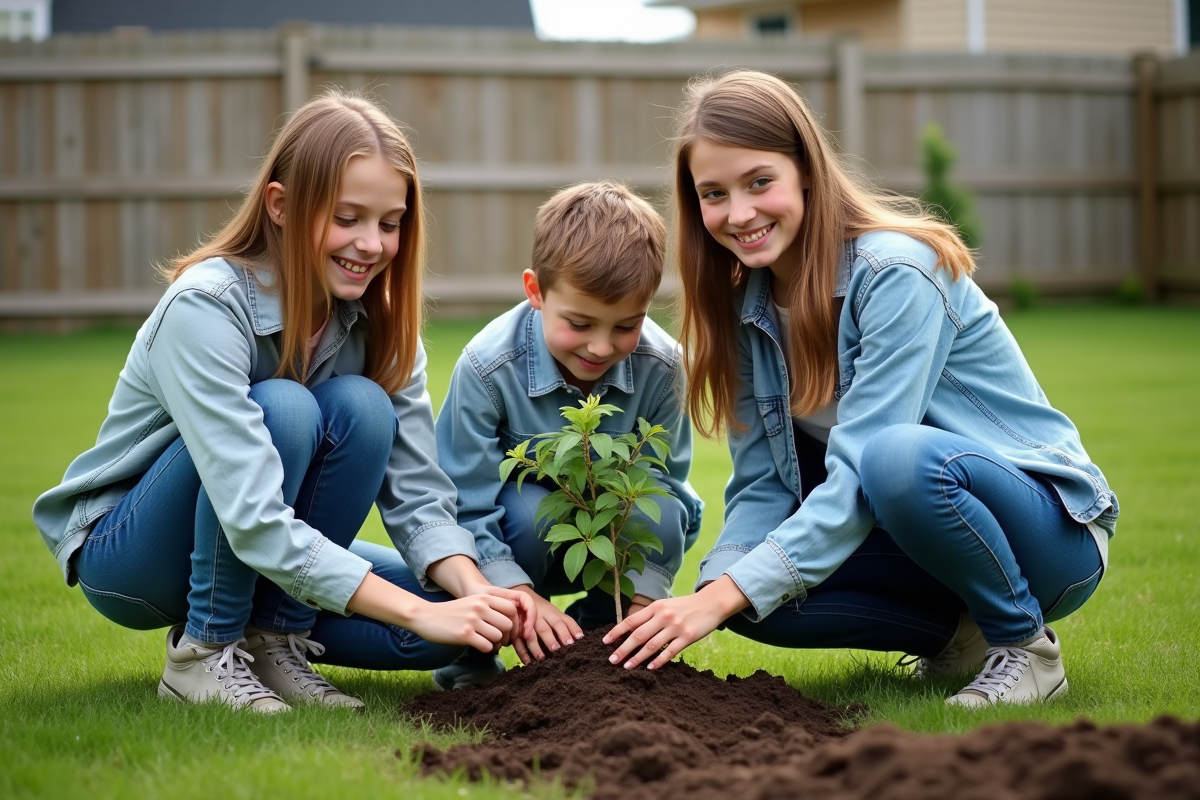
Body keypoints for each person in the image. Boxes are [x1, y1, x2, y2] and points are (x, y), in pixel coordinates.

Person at [604, 71, 1118, 708]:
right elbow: (763, 485)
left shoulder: (896, 273)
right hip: (926, 547)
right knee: (751, 599)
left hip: (1047, 539)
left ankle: (1025, 646)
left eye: (759, 181)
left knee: (895, 457)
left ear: (807, 172)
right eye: (714, 193)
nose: (739, 214)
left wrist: (720, 592)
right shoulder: (743, 311)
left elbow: (864, 468)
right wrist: (712, 590)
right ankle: (959, 640)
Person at [32, 92, 535, 714]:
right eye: (346, 218)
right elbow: (253, 516)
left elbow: (417, 495)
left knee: (429, 611)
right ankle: (202, 651)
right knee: (286, 409)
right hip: (137, 559)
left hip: (267, 555)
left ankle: (276, 642)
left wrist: (476, 594)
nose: (371, 244)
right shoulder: (207, 306)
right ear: (280, 205)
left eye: (389, 222)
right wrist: (406, 606)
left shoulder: (378, 325)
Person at [432, 181, 703, 689]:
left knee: (661, 512)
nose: (601, 347)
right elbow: (462, 499)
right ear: (536, 291)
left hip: (611, 537)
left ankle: (607, 639)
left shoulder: (662, 367)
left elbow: (665, 486)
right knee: (531, 513)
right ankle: (477, 651)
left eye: (626, 326)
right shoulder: (489, 368)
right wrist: (514, 591)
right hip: (517, 541)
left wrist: (645, 589)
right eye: (579, 323)